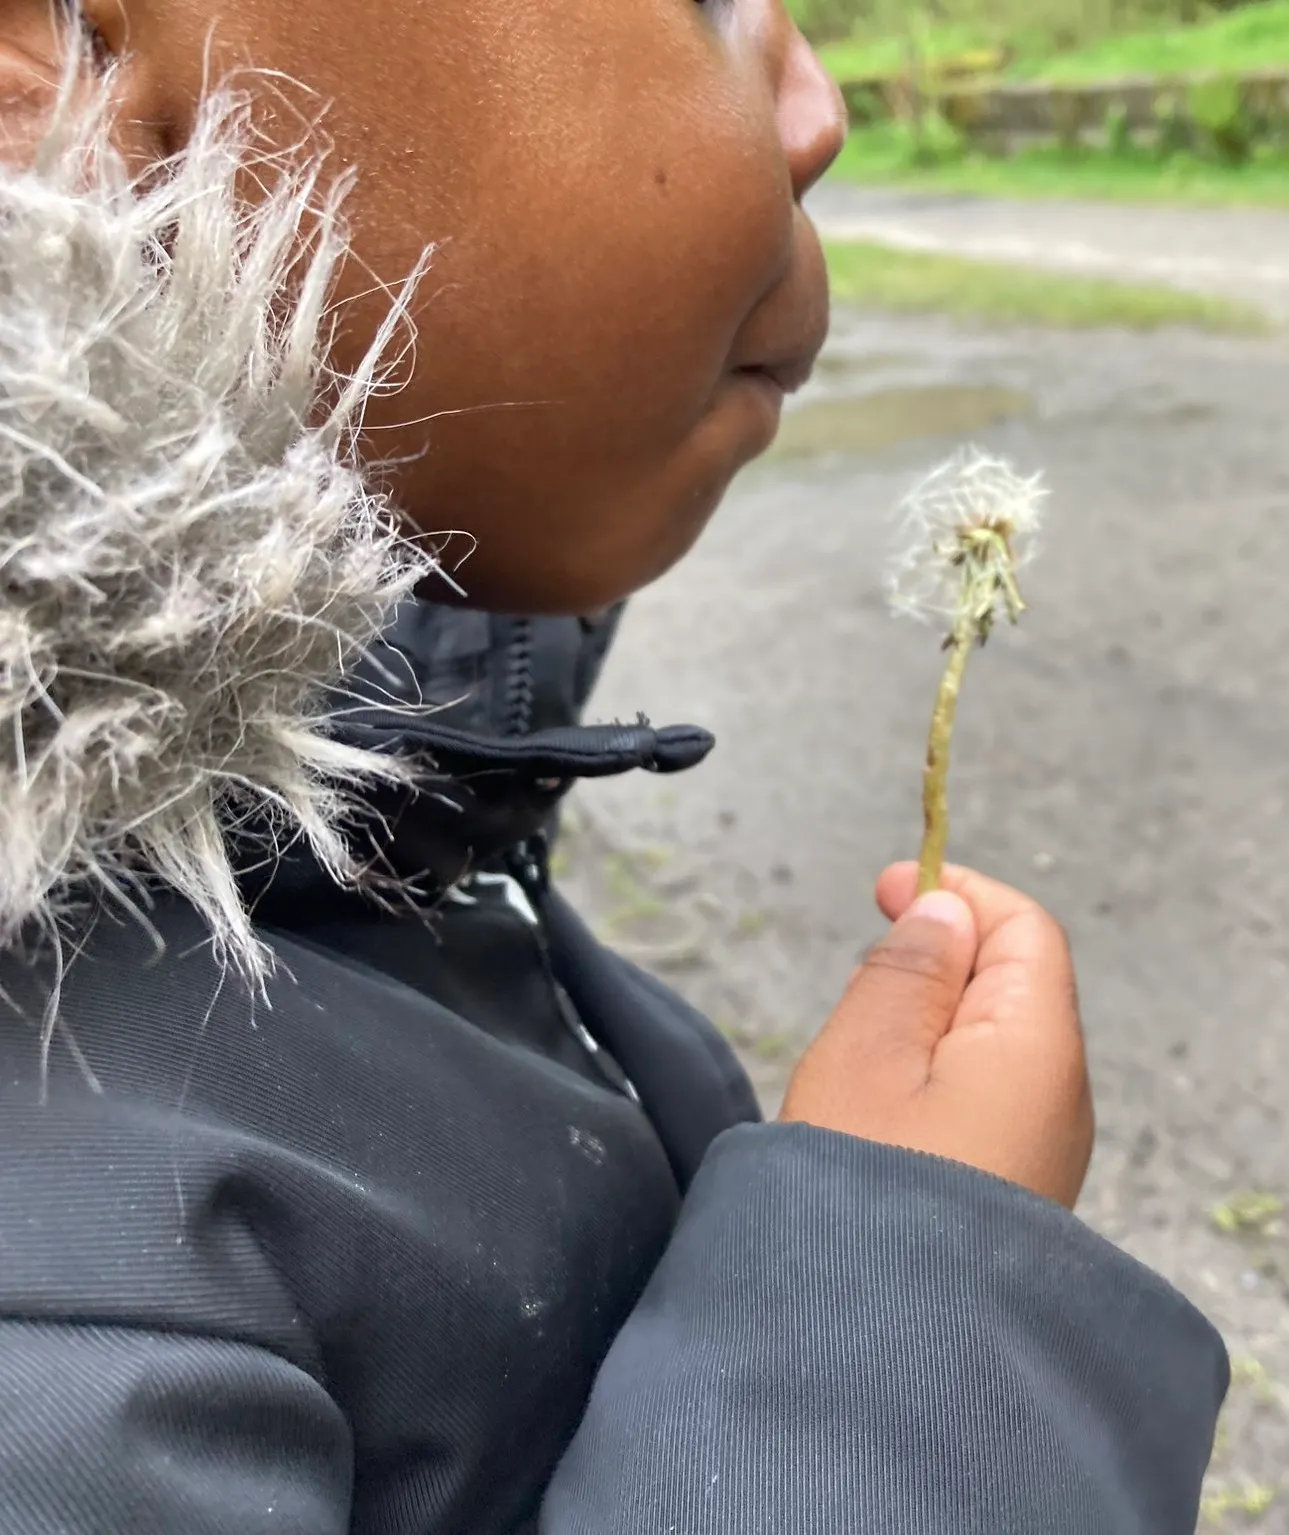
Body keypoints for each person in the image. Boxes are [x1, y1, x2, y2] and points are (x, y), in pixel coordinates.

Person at [0, 2, 1226, 1531]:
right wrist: (899, 1305)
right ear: (59, 72)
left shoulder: (337, 795)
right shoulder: (49, 1331)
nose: (821, 108)